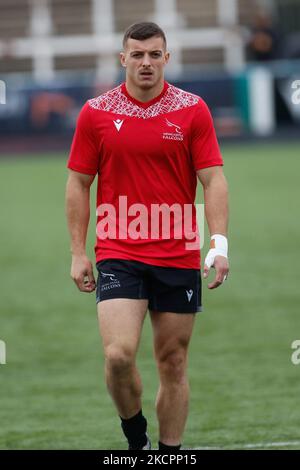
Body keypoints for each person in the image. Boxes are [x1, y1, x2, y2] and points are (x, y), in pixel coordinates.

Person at [66, 22, 229, 451]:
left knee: (172, 362)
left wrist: (219, 244)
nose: (145, 62)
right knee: (119, 355)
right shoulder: (96, 112)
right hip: (119, 249)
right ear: (123, 58)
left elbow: (212, 180)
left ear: (166, 59)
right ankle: (136, 439)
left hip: (177, 251)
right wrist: (77, 253)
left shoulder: (193, 109)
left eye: (154, 54)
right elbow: (78, 184)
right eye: (137, 54)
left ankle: (169, 454)